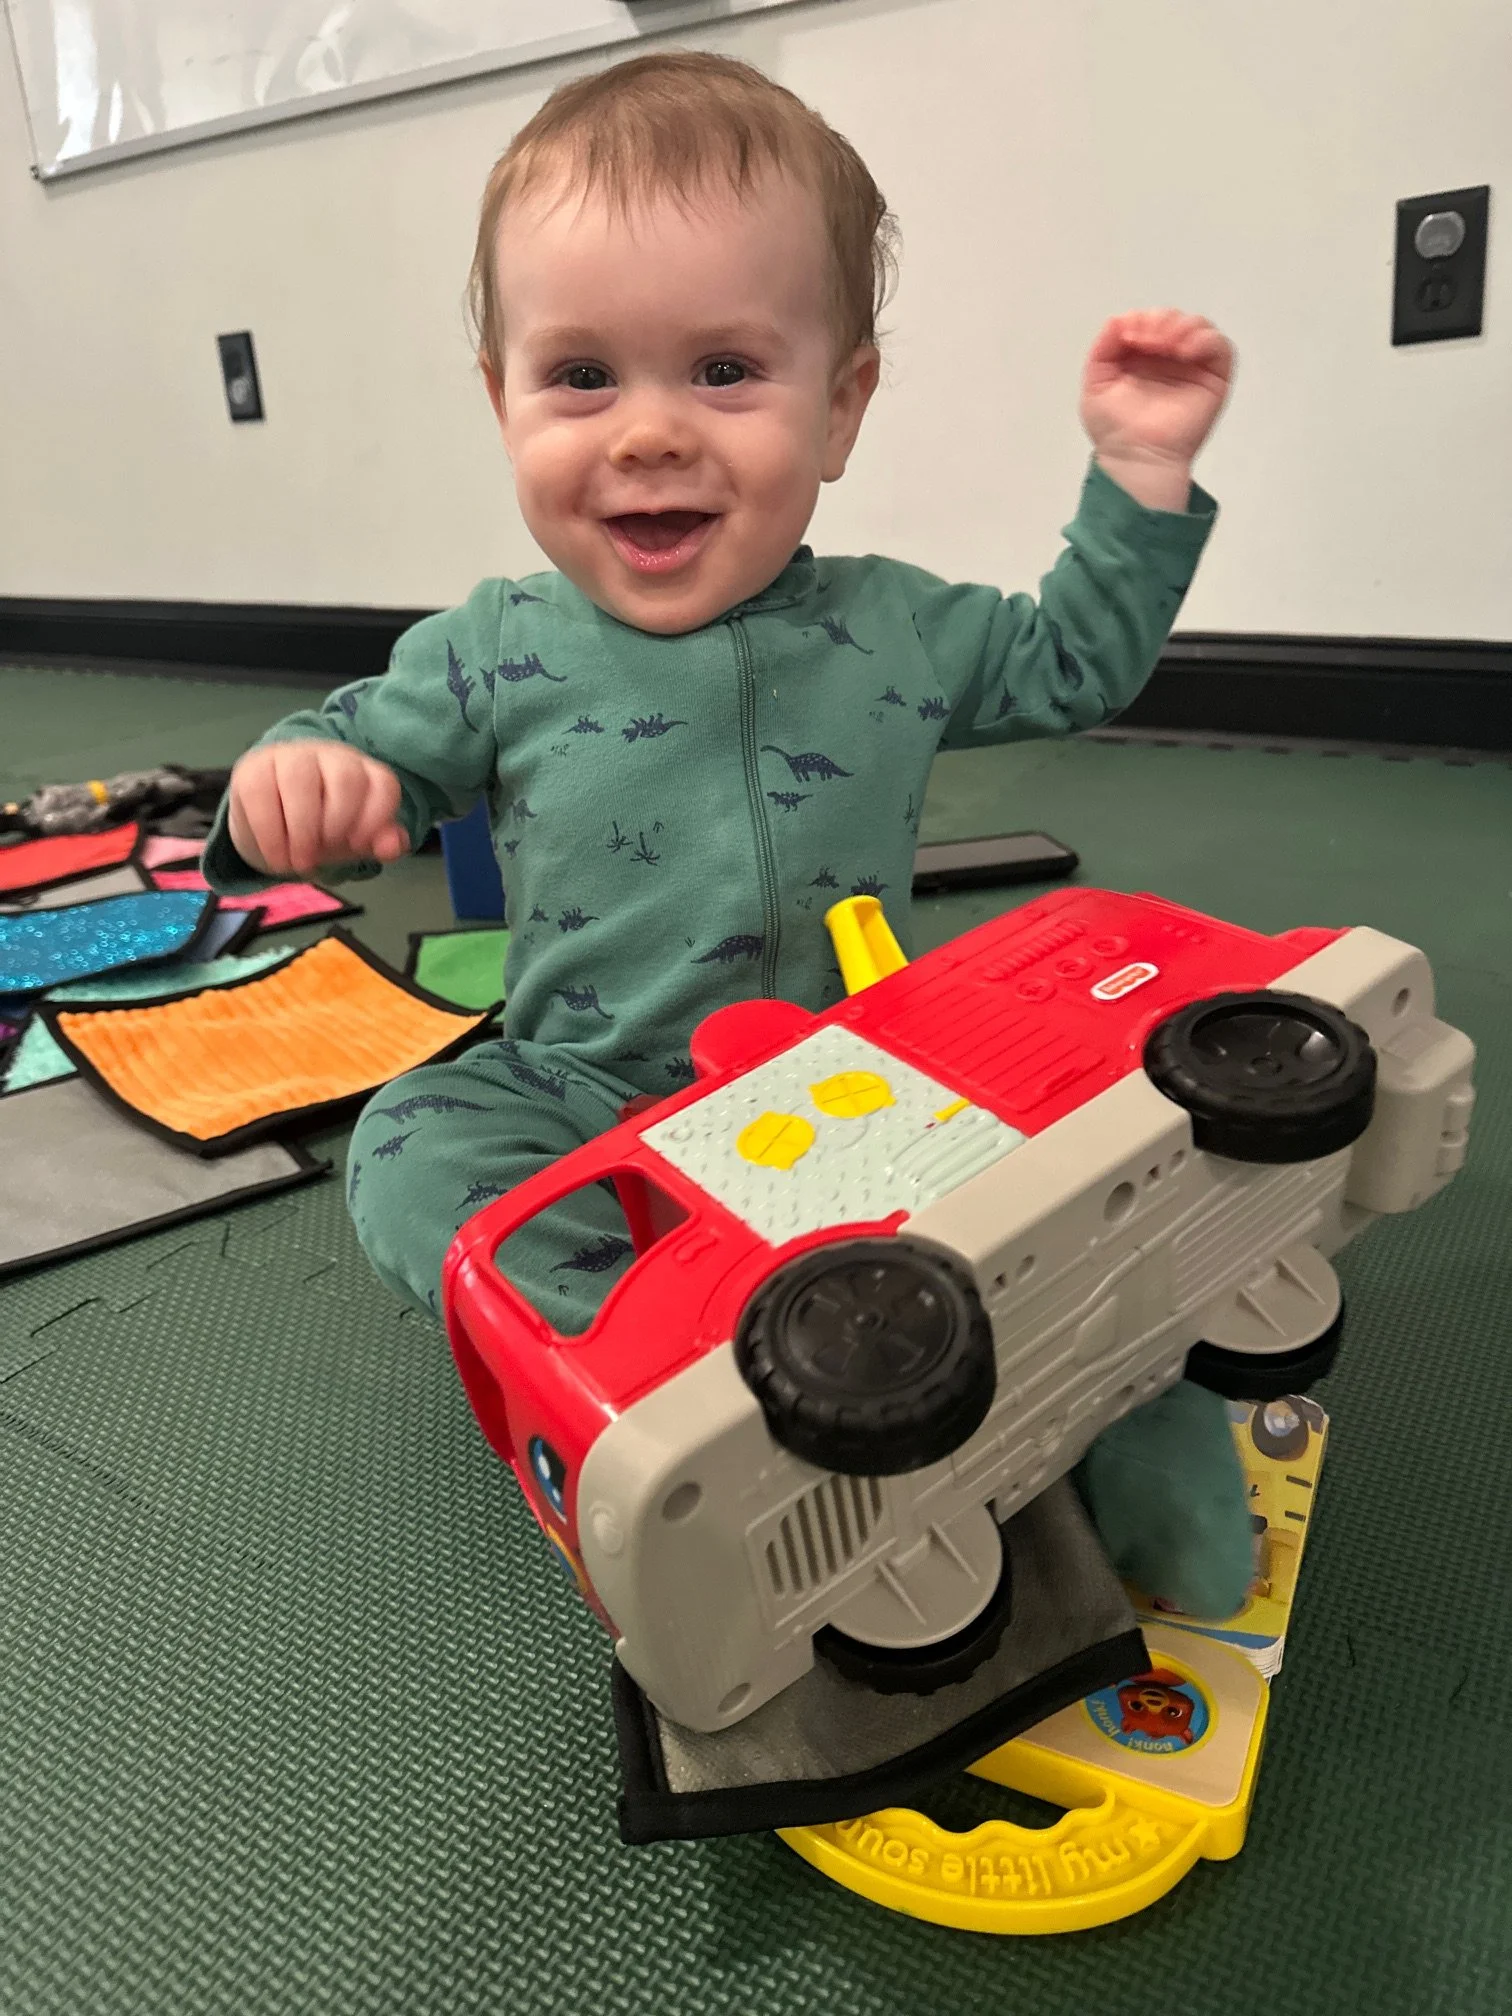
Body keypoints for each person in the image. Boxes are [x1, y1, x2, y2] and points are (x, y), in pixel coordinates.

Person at [206, 50, 1249, 1616]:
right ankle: (644, 1376)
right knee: (409, 1156)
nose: (647, 436)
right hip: (577, 1087)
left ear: (841, 407)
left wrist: (1139, 477)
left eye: (722, 373)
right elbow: (358, 748)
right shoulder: (494, 645)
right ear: (503, 402)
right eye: (580, 378)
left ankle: (1115, 1401)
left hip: (860, 1074)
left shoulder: (893, 627)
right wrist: (296, 781)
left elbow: (1071, 663)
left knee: (1068, 1181)